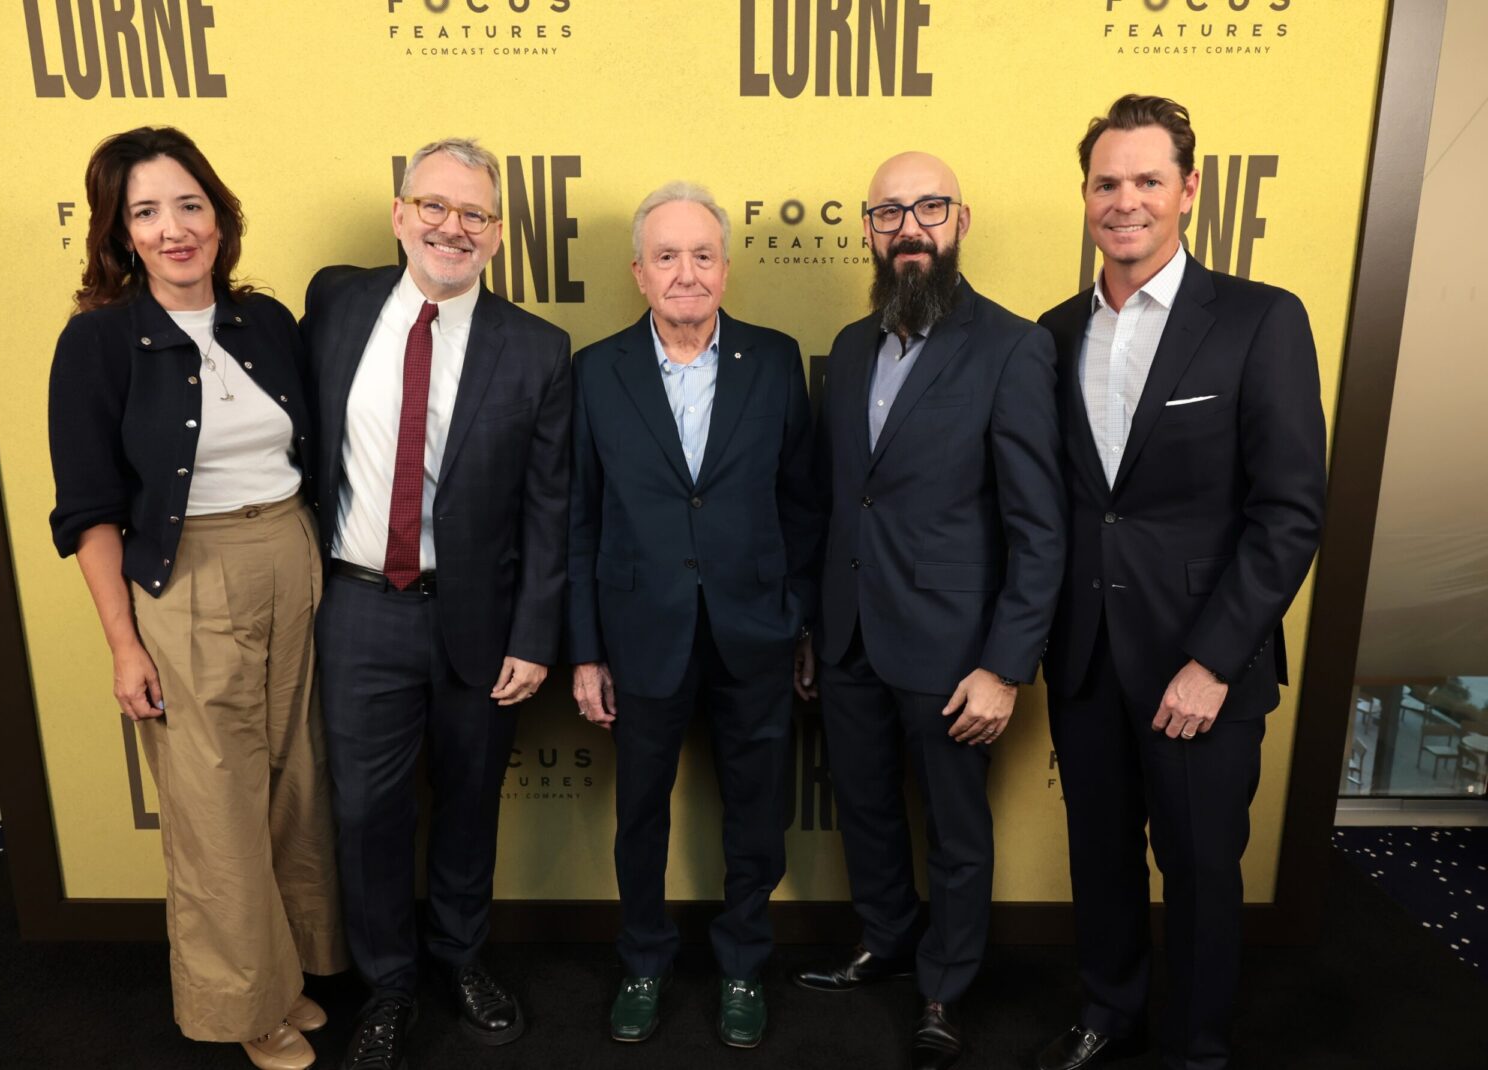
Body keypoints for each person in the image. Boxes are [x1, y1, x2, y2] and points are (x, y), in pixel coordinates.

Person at [1035, 95, 1326, 1070]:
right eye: (1106, 183)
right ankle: (1108, 1009)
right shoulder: (1054, 328)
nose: (1126, 201)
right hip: (1083, 656)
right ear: (1085, 196)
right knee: (1102, 858)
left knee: (1201, 870)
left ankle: (1196, 1048)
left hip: (1202, 658)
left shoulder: (1260, 319)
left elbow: (1289, 510)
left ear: (1189, 189)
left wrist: (1212, 659)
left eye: (1147, 180)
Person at [47, 126, 345, 1070]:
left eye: (188, 205)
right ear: (119, 234)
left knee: (296, 784)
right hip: (185, 580)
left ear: (218, 215)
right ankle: (241, 1007)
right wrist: (123, 646)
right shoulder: (98, 342)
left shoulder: (268, 324)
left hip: (292, 556)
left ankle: (289, 975)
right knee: (213, 807)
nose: (174, 228)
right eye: (146, 212)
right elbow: (90, 509)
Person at [300, 137, 571, 1070]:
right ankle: (388, 983)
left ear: (498, 235)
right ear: (400, 213)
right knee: (367, 810)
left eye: (476, 215)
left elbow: (550, 509)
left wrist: (536, 635)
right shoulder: (334, 301)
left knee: (467, 802)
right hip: (358, 608)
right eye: (436, 207)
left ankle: (460, 959)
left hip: (479, 620)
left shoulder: (538, 347)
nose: (453, 227)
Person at [793, 152, 1066, 1070]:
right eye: (888, 213)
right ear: (868, 231)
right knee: (865, 807)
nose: (909, 227)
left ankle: (945, 987)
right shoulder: (852, 344)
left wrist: (1006, 663)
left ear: (961, 220)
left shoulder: (1014, 346)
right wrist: (813, 626)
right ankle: (885, 940)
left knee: (955, 831)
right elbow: (839, 502)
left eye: (929, 208)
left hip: (956, 652)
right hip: (849, 634)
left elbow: (1040, 524)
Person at [566, 182, 820, 1049]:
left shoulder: (777, 359)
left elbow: (804, 502)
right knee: (640, 810)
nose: (686, 273)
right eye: (667, 257)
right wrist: (585, 650)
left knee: (756, 808)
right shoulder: (596, 370)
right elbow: (581, 519)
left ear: (726, 266)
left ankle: (745, 963)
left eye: (702, 255)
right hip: (640, 633)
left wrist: (803, 622)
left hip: (756, 630)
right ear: (638, 272)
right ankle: (643, 959)